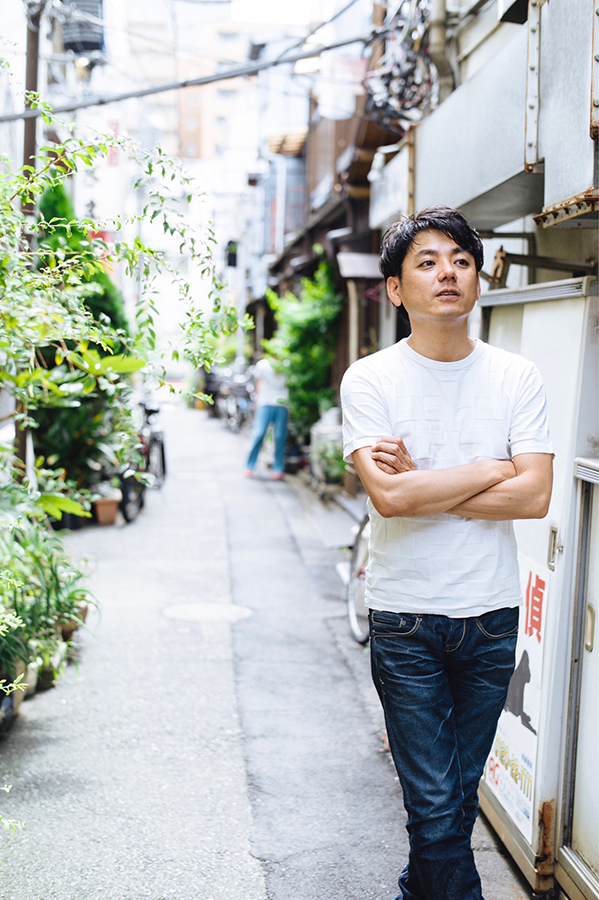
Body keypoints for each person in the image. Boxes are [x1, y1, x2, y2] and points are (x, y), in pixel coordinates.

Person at [340, 206, 553, 900]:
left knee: (453, 803)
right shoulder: (370, 379)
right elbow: (389, 498)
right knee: (436, 808)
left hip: (490, 616)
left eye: (461, 260)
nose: (447, 274)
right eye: (427, 262)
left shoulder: (516, 376)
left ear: (478, 278)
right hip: (406, 618)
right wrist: (492, 467)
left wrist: (426, 484)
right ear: (395, 289)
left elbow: (534, 496)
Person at [244, 355, 289, 480]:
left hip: (282, 403)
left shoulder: (287, 364)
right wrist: (257, 401)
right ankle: (249, 466)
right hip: (265, 402)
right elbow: (259, 383)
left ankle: (278, 468)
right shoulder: (263, 364)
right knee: (258, 434)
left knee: (280, 436)